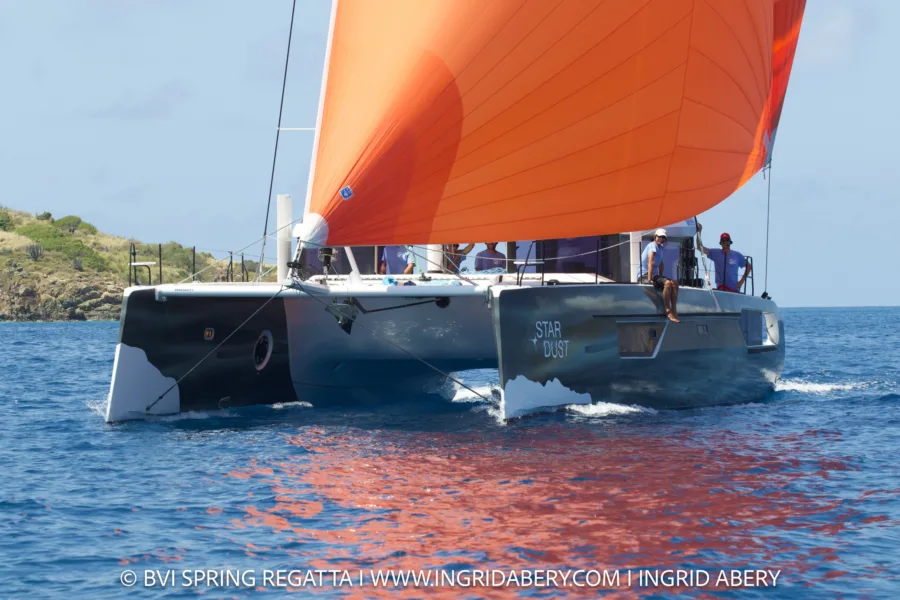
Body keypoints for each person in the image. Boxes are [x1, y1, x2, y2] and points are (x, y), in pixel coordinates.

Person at [640, 228, 680, 322]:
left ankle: (674, 310)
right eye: (659, 237)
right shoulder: (652, 245)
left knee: (674, 283)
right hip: (645, 274)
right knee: (667, 283)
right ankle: (667, 310)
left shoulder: (660, 248)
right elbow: (651, 261)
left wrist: (660, 277)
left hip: (654, 275)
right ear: (655, 237)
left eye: (663, 237)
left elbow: (661, 264)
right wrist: (650, 279)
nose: (660, 239)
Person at [695, 224, 750, 293]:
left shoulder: (737, 255)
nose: (725, 242)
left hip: (734, 289)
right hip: (721, 288)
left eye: (726, 240)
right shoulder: (716, 253)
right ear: (721, 243)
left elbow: (749, 265)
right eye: (723, 241)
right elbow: (699, 247)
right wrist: (699, 232)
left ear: (730, 242)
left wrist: (741, 281)